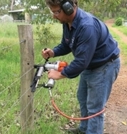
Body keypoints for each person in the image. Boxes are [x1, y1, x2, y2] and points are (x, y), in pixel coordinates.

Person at [41, 0, 120, 134]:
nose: (54, 16)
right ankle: (84, 129)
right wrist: (53, 52)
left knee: (95, 109)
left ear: (69, 9)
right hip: (90, 65)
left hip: (105, 66)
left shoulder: (87, 26)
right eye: (52, 12)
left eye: (56, 12)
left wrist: (60, 74)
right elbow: (67, 44)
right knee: (83, 98)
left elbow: (81, 61)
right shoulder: (67, 23)